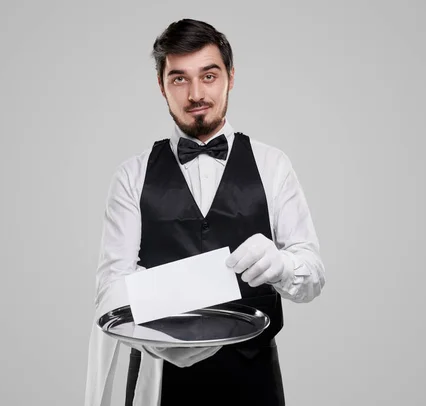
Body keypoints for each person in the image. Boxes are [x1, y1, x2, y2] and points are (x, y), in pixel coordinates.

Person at [84, 18, 326, 406]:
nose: (196, 93)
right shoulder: (131, 175)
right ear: (161, 87)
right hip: (157, 379)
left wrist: (282, 266)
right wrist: (156, 339)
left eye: (208, 75)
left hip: (253, 379)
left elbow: (313, 274)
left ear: (230, 77)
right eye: (179, 79)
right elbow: (111, 287)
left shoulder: (273, 164)